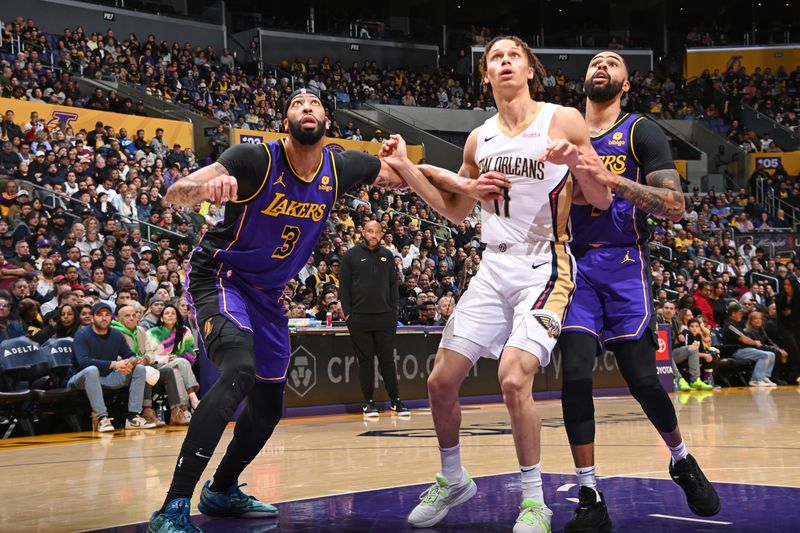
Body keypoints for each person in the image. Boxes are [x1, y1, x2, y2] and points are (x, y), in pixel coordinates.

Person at [148, 87, 408, 532]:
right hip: (221, 277)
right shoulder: (254, 160)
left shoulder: (340, 166)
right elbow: (176, 193)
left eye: (315, 104)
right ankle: (172, 506)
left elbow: (402, 176)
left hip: (268, 296)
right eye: (296, 104)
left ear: (327, 119)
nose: (306, 108)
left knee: (268, 407)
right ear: (285, 121)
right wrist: (207, 187)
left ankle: (222, 490)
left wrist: (412, 161)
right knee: (238, 369)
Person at [381, 35, 612, 532]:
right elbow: (455, 209)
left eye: (513, 57)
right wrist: (404, 167)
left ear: (530, 69)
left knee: (512, 377)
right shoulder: (479, 138)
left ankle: (535, 502)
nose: (505, 63)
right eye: (495, 59)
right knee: (440, 382)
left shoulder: (562, 119)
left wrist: (576, 163)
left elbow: (602, 198)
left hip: (545, 265)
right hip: (492, 266)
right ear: (486, 75)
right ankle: (453, 478)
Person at [558, 50, 720, 531]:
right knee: (575, 373)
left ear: (626, 83)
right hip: (572, 265)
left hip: (624, 261)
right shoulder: (562, 128)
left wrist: (612, 179)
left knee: (643, 379)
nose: (601, 66)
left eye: (612, 63)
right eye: (594, 62)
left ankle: (681, 458)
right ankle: (590, 493)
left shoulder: (638, 131)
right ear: (583, 79)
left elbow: (674, 206)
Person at [339, 220, 407, 418]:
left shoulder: (387, 255)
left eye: (377, 232)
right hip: (359, 317)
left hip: (385, 317)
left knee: (388, 360)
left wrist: (394, 312)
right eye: (370, 231)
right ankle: (368, 403)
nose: (373, 235)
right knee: (366, 361)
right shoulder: (350, 255)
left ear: (382, 233)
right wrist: (348, 312)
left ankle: (396, 400)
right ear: (362, 232)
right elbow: (344, 286)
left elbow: (393, 285)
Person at [67, 302, 157, 431]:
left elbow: (130, 354)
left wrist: (129, 363)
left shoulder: (115, 334)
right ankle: (102, 418)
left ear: (112, 318)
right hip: (80, 378)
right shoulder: (82, 335)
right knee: (92, 370)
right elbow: (83, 362)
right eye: (100, 315)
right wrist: (115, 364)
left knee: (140, 368)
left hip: (108, 377)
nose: (104, 318)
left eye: (107, 315)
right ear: (92, 318)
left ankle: (133, 417)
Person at [723, 303, 777, 387]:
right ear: (733, 313)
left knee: (772, 354)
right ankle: (755, 380)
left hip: (744, 350)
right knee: (765, 355)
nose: (742, 315)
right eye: (740, 313)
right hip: (736, 351)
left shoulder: (737, 324)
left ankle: (764, 377)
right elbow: (743, 338)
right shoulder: (730, 325)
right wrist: (755, 342)